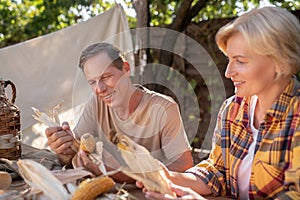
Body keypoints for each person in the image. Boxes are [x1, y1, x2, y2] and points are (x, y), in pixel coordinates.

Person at [138, 6, 300, 199]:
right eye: (229, 60)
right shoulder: (232, 108)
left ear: (279, 62)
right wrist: (170, 178)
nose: (228, 72)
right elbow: (217, 171)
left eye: (240, 61)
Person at [45, 42, 193, 183]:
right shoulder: (96, 103)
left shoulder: (164, 108)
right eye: (92, 82)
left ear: (126, 69)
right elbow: (74, 155)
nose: (100, 89)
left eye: (106, 77)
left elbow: (184, 166)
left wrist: (121, 175)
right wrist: (64, 149)